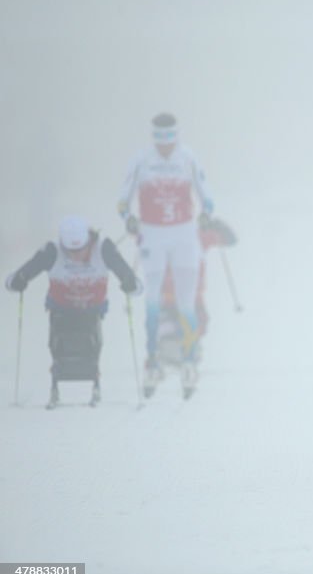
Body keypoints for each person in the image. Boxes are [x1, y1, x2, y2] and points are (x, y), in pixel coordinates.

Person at [117, 113, 214, 399]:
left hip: (184, 235)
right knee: (153, 300)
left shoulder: (187, 158)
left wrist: (207, 214)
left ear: (176, 136)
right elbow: (124, 196)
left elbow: (206, 194)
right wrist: (128, 217)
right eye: (159, 139)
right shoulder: (142, 160)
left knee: (187, 301)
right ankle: (152, 361)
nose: (164, 146)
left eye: (169, 139)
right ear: (153, 137)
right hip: (153, 235)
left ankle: (188, 361)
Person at [5, 216, 139, 408]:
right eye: (71, 251)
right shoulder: (52, 250)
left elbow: (126, 274)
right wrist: (19, 280)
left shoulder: (103, 248)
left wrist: (129, 282)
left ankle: (95, 377)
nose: (76, 255)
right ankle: (56, 378)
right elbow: (25, 272)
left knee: (90, 340)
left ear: (88, 241)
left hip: (92, 307)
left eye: (81, 250)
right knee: (58, 341)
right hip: (61, 306)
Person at [156, 216, 237, 374]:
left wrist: (216, 226)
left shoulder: (198, 236)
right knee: (182, 321)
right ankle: (174, 351)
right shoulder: (191, 236)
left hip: (188, 294)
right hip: (178, 293)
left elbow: (229, 240)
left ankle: (182, 351)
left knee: (196, 320)